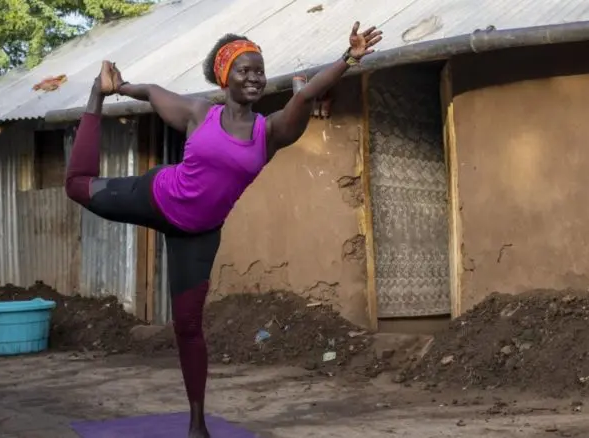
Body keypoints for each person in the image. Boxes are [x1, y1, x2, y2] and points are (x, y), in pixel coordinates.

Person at [64, 21, 382, 438]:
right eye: (244, 70)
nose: (254, 77)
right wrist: (115, 89)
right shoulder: (199, 113)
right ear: (224, 77)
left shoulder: (269, 133)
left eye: (259, 70)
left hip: (198, 234)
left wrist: (348, 59)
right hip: (158, 196)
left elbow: (304, 95)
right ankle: (92, 98)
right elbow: (155, 92)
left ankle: (197, 423)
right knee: (77, 187)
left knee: (189, 327)